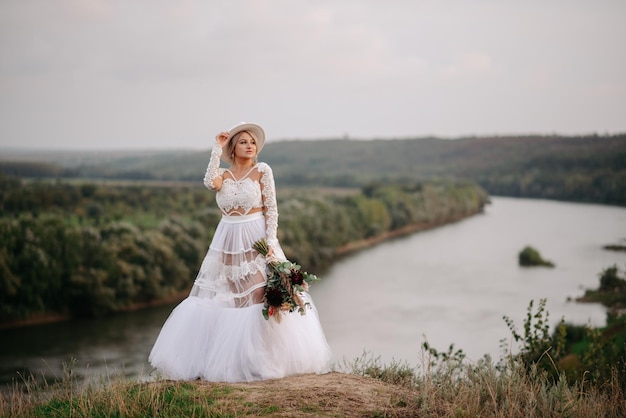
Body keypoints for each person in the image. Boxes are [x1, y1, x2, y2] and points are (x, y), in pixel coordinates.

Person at [149, 122, 333, 382]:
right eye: (244, 142)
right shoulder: (223, 175)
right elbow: (209, 183)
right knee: (235, 298)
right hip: (227, 239)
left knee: (259, 295)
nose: (250, 146)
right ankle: (239, 362)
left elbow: (272, 208)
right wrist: (216, 148)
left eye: (253, 142)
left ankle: (264, 360)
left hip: (256, 236)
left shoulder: (262, 171)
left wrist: (270, 242)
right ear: (233, 147)